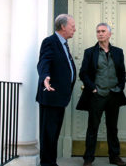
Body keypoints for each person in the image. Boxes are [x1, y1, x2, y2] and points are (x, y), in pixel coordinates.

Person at [76, 23, 126, 166]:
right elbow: (83, 73)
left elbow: (122, 73)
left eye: (103, 31)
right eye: (98, 31)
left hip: (114, 95)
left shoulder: (118, 52)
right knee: (92, 127)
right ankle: (88, 158)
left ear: (109, 34)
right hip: (96, 95)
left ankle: (115, 157)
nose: (100, 33)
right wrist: (92, 88)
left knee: (112, 128)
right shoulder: (90, 52)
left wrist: (120, 87)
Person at [36, 14, 76, 166]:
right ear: (63, 26)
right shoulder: (50, 42)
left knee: (54, 134)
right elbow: (44, 62)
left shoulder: (64, 44)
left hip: (60, 97)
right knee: (48, 134)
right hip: (51, 96)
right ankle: (47, 163)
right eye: (72, 26)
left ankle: (50, 162)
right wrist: (45, 76)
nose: (75, 29)